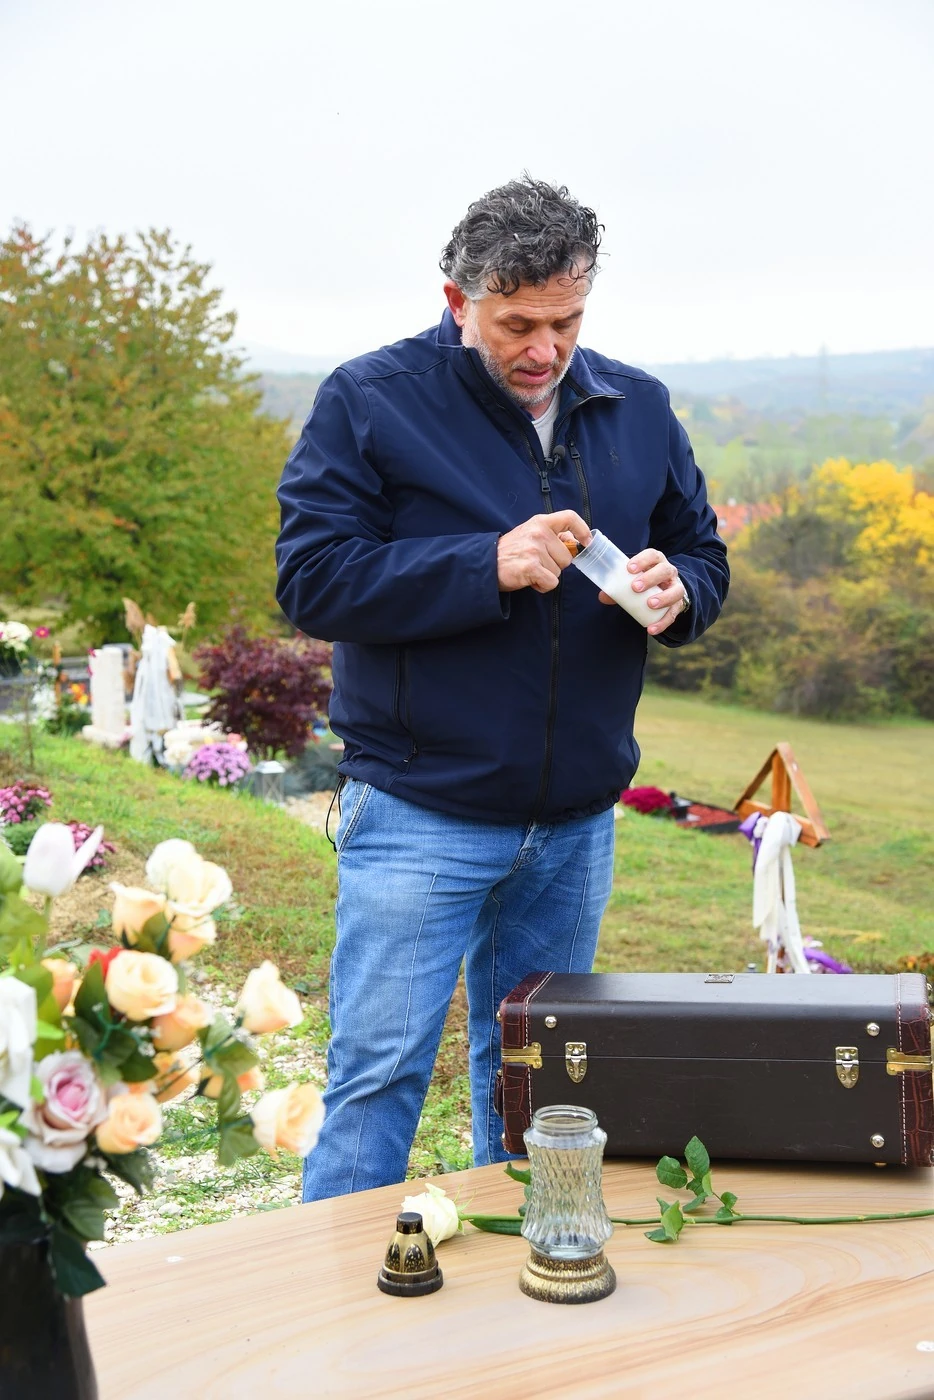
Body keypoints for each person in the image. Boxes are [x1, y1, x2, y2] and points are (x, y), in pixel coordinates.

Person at [276, 176, 729, 1202]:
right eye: (514, 323)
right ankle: (335, 1340)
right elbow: (311, 579)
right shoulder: (370, 399)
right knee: (379, 1078)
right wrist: (482, 562)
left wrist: (678, 588)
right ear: (456, 302)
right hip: (416, 811)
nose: (543, 348)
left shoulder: (639, 405)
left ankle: (515, 1324)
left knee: (536, 1085)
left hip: (575, 824)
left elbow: (702, 551)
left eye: (565, 321)